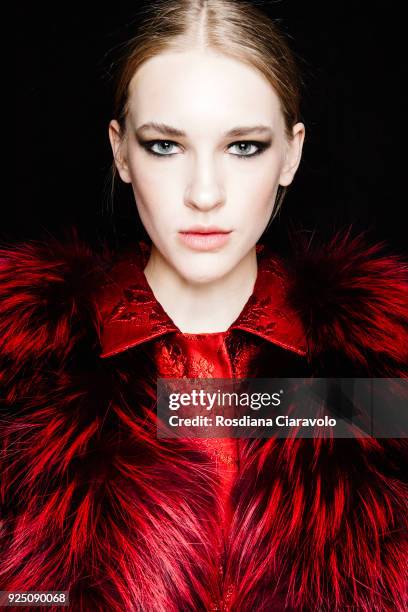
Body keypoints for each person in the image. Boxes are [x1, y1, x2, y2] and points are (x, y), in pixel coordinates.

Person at [1, 1, 407, 610]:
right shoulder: (23, 363)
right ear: (120, 151)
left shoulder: (383, 368)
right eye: (166, 145)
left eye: (243, 147)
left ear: (291, 155)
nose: (205, 194)